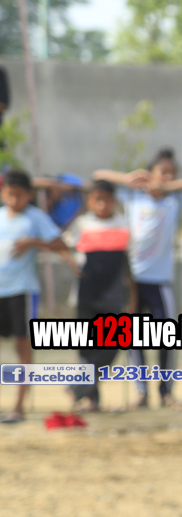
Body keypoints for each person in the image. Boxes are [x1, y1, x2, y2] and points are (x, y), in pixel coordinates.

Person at [94, 150, 182, 409]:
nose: (167, 177)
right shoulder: (134, 197)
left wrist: (169, 186)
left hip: (160, 280)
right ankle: (141, 392)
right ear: (150, 174)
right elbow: (99, 176)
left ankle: (166, 392)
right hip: (133, 280)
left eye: (172, 173)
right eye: (163, 172)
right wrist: (129, 179)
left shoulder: (175, 201)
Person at [0, 170, 71, 424]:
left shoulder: (35, 218)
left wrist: (33, 242)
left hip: (22, 290)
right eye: (9, 194)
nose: (14, 200)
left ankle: (19, 406)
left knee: (22, 345)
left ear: (29, 195)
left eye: (19, 195)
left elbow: (61, 244)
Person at [63, 180, 136, 413]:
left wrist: (131, 297)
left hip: (113, 295)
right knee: (87, 348)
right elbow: (61, 243)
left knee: (113, 344)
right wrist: (72, 263)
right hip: (85, 294)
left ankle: (78, 387)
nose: (102, 205)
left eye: (107, 199)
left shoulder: (124, 225)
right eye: (97, 200)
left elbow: (129, 263)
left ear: (114, 201)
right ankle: (92, 400)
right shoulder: (82, 224)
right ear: (89, 201)